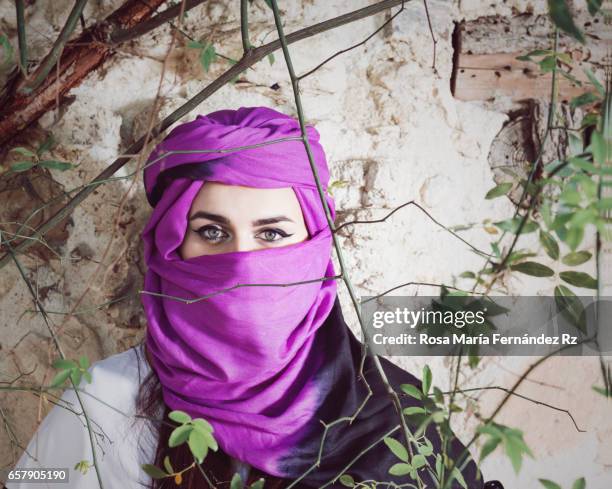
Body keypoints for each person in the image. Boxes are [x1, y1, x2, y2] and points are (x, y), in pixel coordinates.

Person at [5, 106, 504, 489]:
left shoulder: (395, 410)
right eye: (212, 232)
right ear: (170, 247)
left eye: (271, 235)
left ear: (315, 247)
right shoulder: (107, 400)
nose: (243, 264)